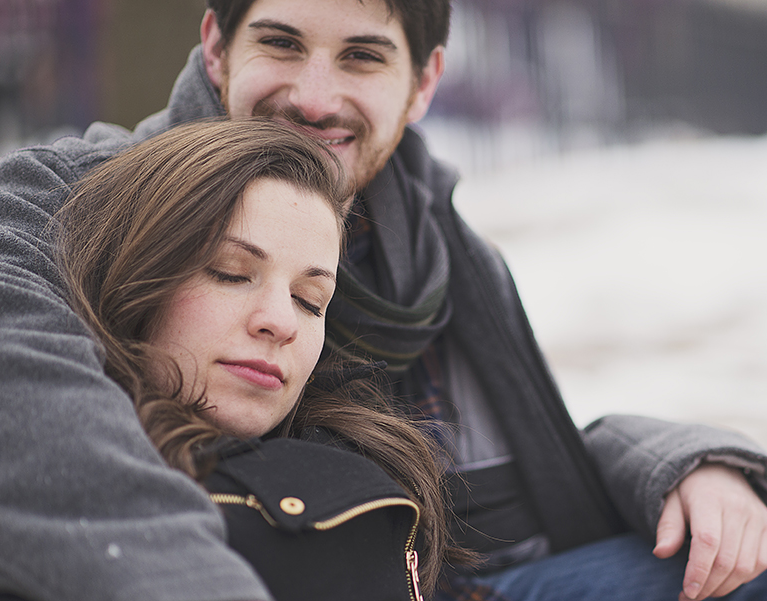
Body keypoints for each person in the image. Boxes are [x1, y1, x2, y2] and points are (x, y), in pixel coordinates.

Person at [0, 1, 767, 600]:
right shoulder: (84, 196)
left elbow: (527, 496)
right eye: (283, 42)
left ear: (423, 84)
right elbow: (10, 394)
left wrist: (676, 461)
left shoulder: (439, 258)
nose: (313, 95)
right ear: (216, 46)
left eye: (363, 57)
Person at [51, 116, 467, 599]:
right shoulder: (35, 473)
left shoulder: (372, 467)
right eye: (231, 273)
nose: (281, 322)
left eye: (310, 300)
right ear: (133, 273)